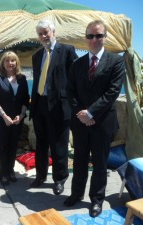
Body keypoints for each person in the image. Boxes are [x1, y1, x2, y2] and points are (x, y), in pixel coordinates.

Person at [64, 20, 125, 217]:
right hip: (81, 123)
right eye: (90, 36)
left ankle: (97, 200)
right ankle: (76, 194)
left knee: (100, 163)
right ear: (86, 39)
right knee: (79, 160)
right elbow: (70, 92)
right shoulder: (77, 64)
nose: (94, 39)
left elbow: (113, 92)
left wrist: (90, 113)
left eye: (98, 35)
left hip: (103, 122)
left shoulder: (116, 61)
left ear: (105, 37)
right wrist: (82, 114)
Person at [29, 19, 78, 195]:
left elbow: (76, 77)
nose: (43, 36)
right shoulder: (36, 56)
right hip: (39, 105)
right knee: (41, 145)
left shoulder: (67, 51)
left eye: (46, 32)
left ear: (53, 32)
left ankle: (60, 179)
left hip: (59, 106)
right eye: (40, 34)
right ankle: (41, 176)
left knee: (59, 145)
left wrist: (74, 103)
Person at [0, 51, 29, 186]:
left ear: (16, 62)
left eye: (12, 60)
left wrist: (22, 115)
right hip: (2, 119)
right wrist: (4, 116)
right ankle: (3, 173)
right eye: (7, 61)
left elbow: (25, 99)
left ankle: (11, 170)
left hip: (18, 119)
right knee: (3, 147)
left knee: (13, 146)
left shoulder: (22, 78)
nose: (10, 63)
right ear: (3, 63)